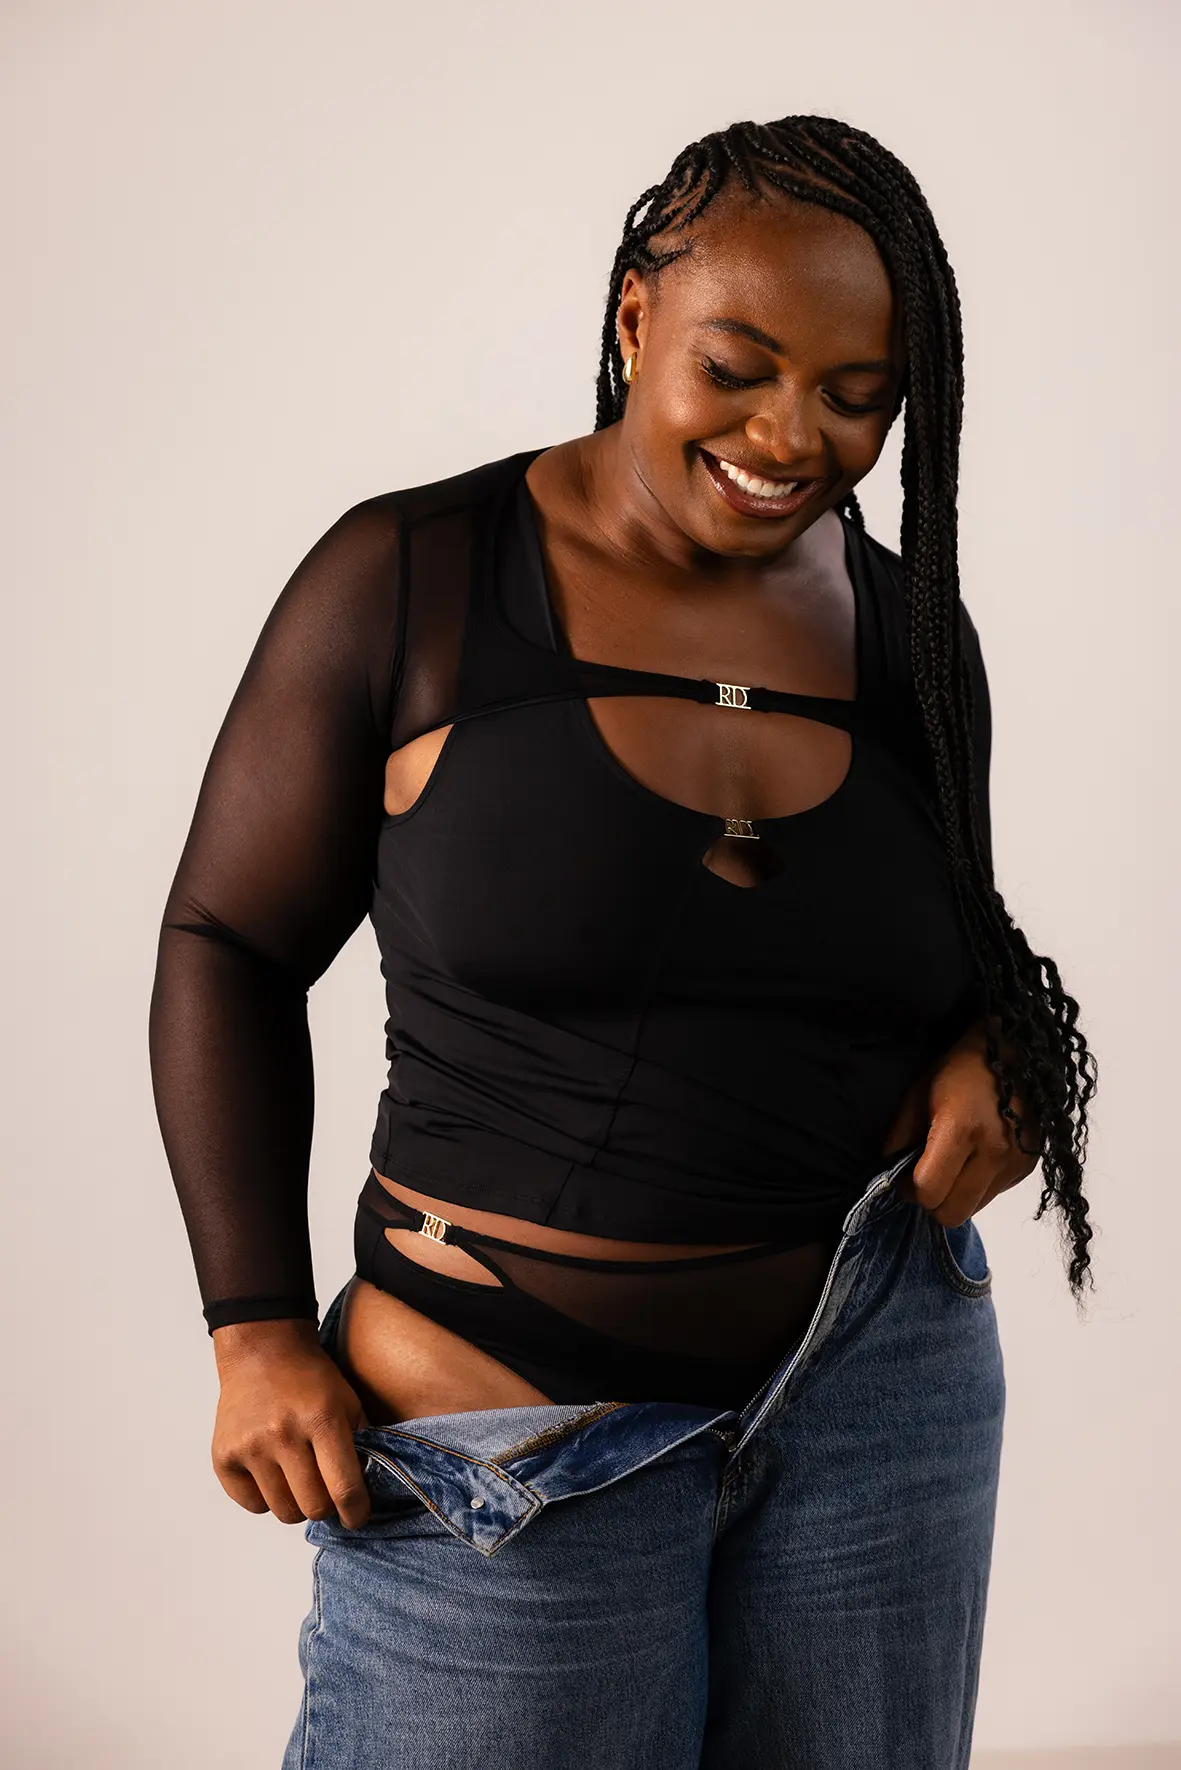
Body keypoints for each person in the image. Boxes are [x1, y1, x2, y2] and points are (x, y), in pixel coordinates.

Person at [148, 113, 1098, 1769]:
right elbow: (225, 939)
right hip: (502, 1431)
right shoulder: (413, 582)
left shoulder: (913, 643)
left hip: (870, 1409)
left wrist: (996, 1056)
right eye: (739, 366)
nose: (790, 434)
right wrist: (252, 1325)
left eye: (857, 394)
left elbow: (948, 955)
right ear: (636, 315)